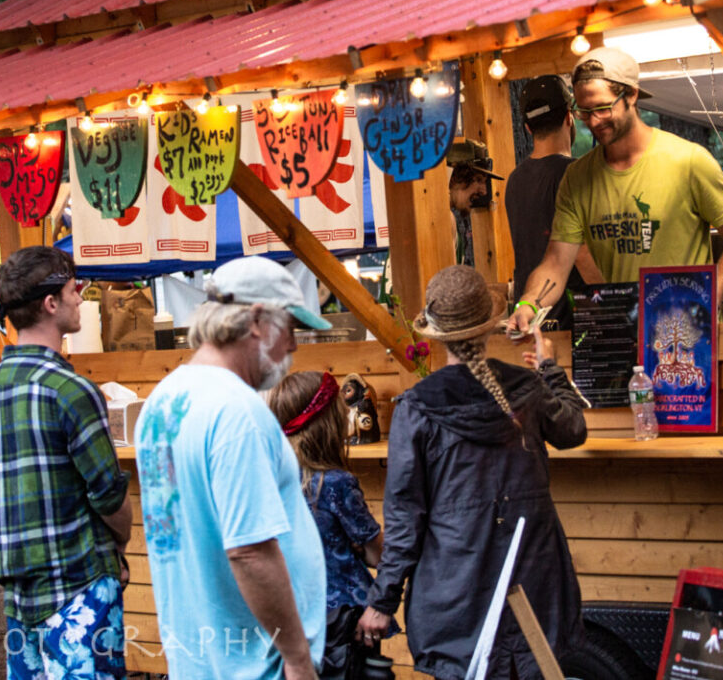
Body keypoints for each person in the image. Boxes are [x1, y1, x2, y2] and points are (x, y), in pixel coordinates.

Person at [358, 265, 587, 678]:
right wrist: (550, 368)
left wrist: (382, 600)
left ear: (435, 332)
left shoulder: (417, 407)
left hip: (456, 593)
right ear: (489, 326)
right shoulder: (527, 388)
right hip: (533, 579)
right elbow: (573, 430)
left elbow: (406, 518)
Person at [136, 255, 329, 680]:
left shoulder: (161, 401)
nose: (294, 346)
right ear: (257, 321)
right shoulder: (236, 410)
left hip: (200, 660)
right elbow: (249, 550)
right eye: (291, 328)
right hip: (258, 665)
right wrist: (297, 658)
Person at [506, 47, 723, 334]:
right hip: (623, 340)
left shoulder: (688, 161)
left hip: (688, 341)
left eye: (602, 108)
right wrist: (527, 305)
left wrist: (704, 301)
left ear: (632, 94)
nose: (593, 121)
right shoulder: (576, 179)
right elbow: (556, 262)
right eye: (584, 112)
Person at [0, 246, 134, 680]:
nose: (81, 297)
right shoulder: (71, 389)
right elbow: (110, 497)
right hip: (78, 584)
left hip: (19, 591)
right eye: (74, 289)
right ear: (51, 303)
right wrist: (119, 548)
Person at [267, 370, 395, 678]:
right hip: (341, 624)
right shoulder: (335, 483)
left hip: (284, 616)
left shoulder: (267, 481)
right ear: (330, 423)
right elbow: (378, 555)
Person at [504, 75, 604, 330]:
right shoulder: (574, 174)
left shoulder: (515, 181)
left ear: (527, 128)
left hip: (532, 319)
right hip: (575, 322)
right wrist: (620, 306)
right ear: (569, 116)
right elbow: (583, 254)